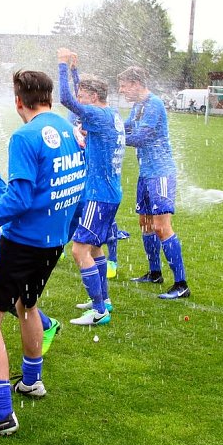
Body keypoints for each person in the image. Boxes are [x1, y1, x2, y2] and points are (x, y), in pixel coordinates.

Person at [0, 69, 84, 437]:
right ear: (50, 98)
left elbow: (19, 199)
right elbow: (77, 186)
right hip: (53, 242)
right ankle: (32, 381)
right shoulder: (69, 129)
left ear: (18, 100)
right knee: (28, 305)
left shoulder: (24, 137)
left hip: (24, 242)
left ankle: (3, 414)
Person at [58, 49, 126, 324]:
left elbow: (65, 98)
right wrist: (76, 71)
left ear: (94, 97)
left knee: (79, 249)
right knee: (96, 249)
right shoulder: (109, 113)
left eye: (83, 97)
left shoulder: (97, 116)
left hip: (100, 196)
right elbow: (76, 95)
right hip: (109, 193)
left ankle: (99, 312)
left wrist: (62, 65)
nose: (79, 102)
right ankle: (104, 300)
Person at [118, 66, 190, 300]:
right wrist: (107, 126)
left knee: (161, 227)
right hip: (146, 173)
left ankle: (181, 284)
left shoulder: (154, 104)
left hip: (160, 173)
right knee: (145, 224)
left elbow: (141, 138)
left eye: (124, 85)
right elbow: (127, 127)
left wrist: (113, 139)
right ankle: (155, 272)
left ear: (137, 83)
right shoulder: (138, 106)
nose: (121, 90)